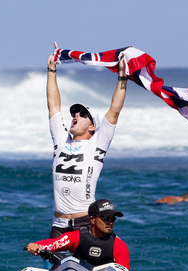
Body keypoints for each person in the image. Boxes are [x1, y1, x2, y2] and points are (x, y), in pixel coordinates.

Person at [46, 41, 128, 238]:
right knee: (52, 268)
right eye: (74, 113)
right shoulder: (61, 139)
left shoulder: (97, 144)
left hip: (84, 226)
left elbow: (115, 110)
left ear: (92, 127)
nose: (75, 115)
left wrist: (122, 76)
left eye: (82, 114)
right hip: (58, 225)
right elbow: (53, 105)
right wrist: (51, 70)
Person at [25, 199, 156, 271]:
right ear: (92, 219)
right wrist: (36, 246)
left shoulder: (119, 246)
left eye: (113, 219)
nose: (110, 222)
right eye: (105, 218)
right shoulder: (76, 237)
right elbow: (53, 244)